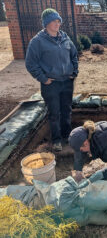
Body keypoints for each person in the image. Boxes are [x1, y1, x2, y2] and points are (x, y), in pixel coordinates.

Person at [25, 8, 78, 152]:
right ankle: (56, 140)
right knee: (54, 113)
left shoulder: (65, 38)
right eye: (53, 21)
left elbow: (74, 55)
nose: (57, 23)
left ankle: (67, 136)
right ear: (46, 23)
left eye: (58, 21)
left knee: (66, 110)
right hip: (51, 84)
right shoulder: (37, 42)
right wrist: (43, 78)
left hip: (67, 82)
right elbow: (30, 63)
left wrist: (74, 71)